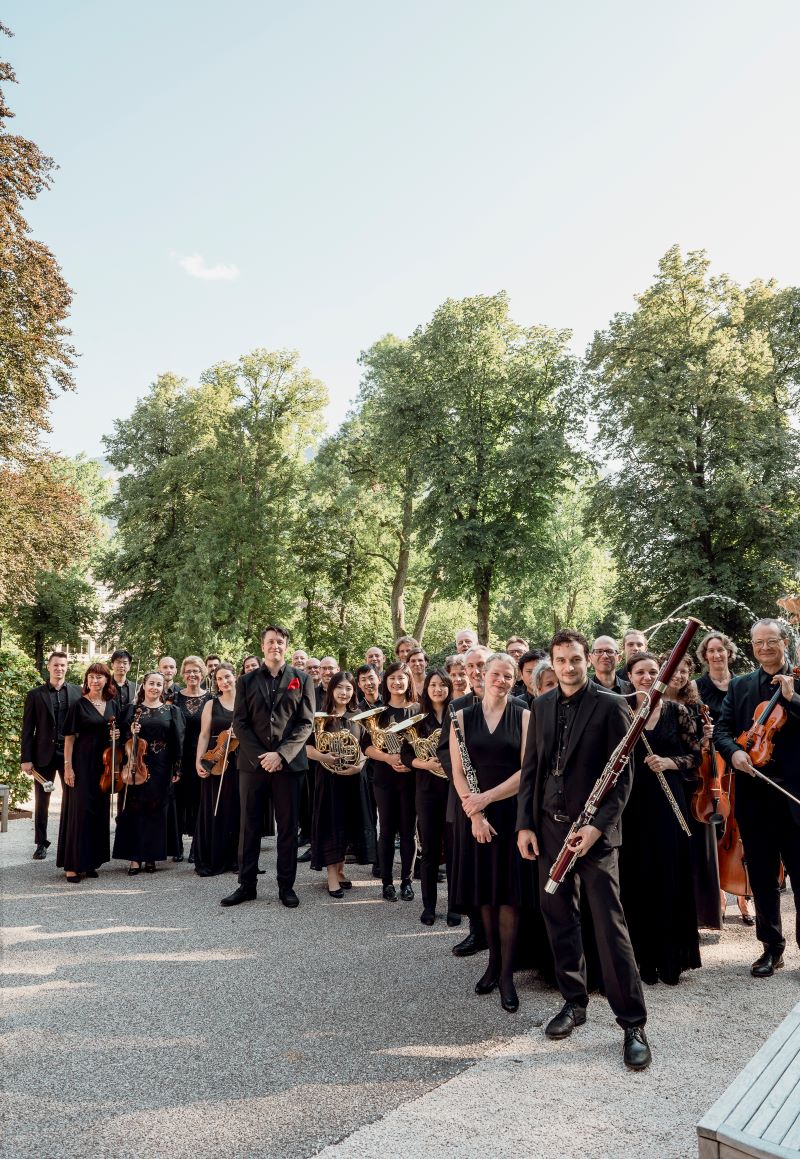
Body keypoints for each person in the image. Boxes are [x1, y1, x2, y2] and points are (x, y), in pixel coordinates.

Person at [517, 629, 651, 1072]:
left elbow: (623, 778)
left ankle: (632, 1023)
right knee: (558, 916)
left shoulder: (611, 705)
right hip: (549, 830)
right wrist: (525, 825)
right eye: (561, 660)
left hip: (594, 836)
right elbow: (531, 771)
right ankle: (574, 1002)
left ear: (587, 660)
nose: (569, 667)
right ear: (552, 663)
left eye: (575, 659)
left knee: (610, 926)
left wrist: (596, 828)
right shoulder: (540, 705)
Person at [714, 618, 800, 979]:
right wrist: (734, 751)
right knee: (763, 878)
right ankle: (771, 949)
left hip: (793, 795)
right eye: (758, 643)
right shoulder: (740, 685)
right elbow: (721, 730)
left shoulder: (798, 682)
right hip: (754, 795)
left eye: (771, 641)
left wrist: (793, 699)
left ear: (784, 643)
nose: (764, 648)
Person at [450, 653, 530, 1013]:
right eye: (496, 674)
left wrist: (487, 798)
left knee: (509, 895)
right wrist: (476, 813)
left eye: (508, 676)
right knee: (485, 893)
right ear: (483, 675)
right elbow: (458, 771)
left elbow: (527, 771)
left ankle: (508, 975)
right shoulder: (461, 717)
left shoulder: (524, 716)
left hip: (510, 813)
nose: (502, 680)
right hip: (475, 816)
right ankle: (493, 963)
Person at [620, 651, 701, 984]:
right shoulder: (621, 711)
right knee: (638, 877)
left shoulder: (676, 711)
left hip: (669, 802)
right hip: (632, 804)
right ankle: (644, 960)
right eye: (640, 672)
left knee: (669, 875)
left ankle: (671, 959)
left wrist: (669, 763)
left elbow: (696, 755)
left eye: (653, 671)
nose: (647, 677)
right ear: (629, 676)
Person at [222, 625, 315, 909]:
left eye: (280, 641)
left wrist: (281, 755)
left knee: (287, 828)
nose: (275, 646)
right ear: (262, 646)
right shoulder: (246, 681)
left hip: (289, 766)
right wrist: (263, 756)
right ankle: (246, 885)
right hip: (253, 765)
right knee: (249, 826)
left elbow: (306, 723)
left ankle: (286, 886)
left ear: (286, 646)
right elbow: (240, 723)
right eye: (271, 641)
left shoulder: (302, 679)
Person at [695, 631, 753, 925]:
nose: (716, 655)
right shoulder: (697, 687)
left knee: (741, 827)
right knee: (715, 830)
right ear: (704, 656)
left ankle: (743, 894)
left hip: (739, 760)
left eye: (721, 649)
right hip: (712, 767)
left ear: (729, 652)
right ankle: (718, 895)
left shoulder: (742, 684)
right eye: (711, 650)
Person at [437, 644, 492, 952]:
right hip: (465, 799)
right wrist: (466, 783)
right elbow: (444, 751)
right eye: (470, 666)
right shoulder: (456, 706)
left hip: (500, 796)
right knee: (469, 868)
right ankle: (477, 931)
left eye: (481, 664)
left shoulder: (516, 704)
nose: (476, 671)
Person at [664, 653, 722, 930]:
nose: (679, 675)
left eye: (684, 671)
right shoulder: (651, 702)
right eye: (674, 670)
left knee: (697, 852)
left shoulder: (696, 705)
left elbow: (698, 752)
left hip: (693, 784)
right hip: (665, 781)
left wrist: (707, 738)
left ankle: (701, 916)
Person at [308, 671, 375, 897]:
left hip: (354, 778)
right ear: (331, 690)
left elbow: (366, 745)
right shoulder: (320, 716)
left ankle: (340, 870)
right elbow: (307, 748)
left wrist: (360, 765)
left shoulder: (359, 716)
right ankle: (331, 877)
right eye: (339, 688)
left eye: (348, 688)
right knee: (331, 826)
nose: (344, 692)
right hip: (329, 779)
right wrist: (325, 757)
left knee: (347, 825)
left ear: (353, 691)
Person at [113, 672, 185, 874]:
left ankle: (152, 856)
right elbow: (120, 740)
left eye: (159, 684)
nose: (155, 687)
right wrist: (130, 732)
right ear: (143, 685)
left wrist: (177, 767)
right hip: (136, 765)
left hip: (161, 766)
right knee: (134, 809)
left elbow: (177, 741)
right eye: (151, 683)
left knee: (156, 810)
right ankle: (134, 858)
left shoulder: (171, 711)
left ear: (163, 688)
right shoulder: (131, 710)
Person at [363, 660, 419, 901]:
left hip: (412, 779)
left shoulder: (419, 710)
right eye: (392, 678)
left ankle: (407, 881)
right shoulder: (378, 712)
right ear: (385, 682)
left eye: (401, 678)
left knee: (408, 832)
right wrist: (387, 757)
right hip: (384, 779)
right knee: (386, 831)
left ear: (409, 681)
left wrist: (410, 762)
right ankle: (386, 882)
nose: (397, 682)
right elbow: (366, 746)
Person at [400, 669, 453, 925]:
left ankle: (455, 905)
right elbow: (405, 755)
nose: (438, 689)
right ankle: (429, 906)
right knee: (430, 850)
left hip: (455, 791)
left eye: (442, 685)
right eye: (433, 685)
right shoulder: (418, 720)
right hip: (427, 790)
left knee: (454, 850)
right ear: (426, 689)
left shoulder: (459, 714)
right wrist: (425, 764)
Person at [58, 663, 118, 882]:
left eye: (99, 677)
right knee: (80, 813)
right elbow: (69, 739)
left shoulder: (112, 704)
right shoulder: (79, 705)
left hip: (104, 766)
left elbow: (115, 733)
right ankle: (73, 865)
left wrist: (116, 735)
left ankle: (91, 861)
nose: (95, 680)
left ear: (107, 680)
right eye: (91, 676)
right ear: (86, 680)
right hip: (82, 765)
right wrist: (68, 767)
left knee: (98, 813)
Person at [20, 650, 81, 859]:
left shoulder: (78, 692)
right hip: (43, 755)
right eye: (55, 665)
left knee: (72, 799)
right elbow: (28, 729)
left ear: (67, 668)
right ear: (48, 667)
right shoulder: (35, 694)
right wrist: (26, 758)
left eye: (63, 665)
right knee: (42, 801)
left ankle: (70, 840)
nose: (59, 668)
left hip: (69, 755)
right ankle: (41, 843)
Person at [194, 663, 240, 877]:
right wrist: (199, 761)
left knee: (237, 807)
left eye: (227, 677)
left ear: (235, 677)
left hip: (240, 759)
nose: (224, 681)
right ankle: (213, 858)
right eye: (219, 679)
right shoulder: (211, 704)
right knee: (215, 807)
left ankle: (236, 859)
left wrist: (241, 733)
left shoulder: (246, 702)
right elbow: (204, 734)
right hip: (217, 758)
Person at [172, 657, 212, 860]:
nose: (192, 675)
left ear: (202, 673)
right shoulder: (174, 698)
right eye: (188, 671)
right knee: (178, 801)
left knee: (199, 801)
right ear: (182, 674)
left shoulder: (211, 699)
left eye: (196, 671)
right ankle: (177, 847)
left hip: (202, 756)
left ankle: (197, 848)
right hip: (179, 757)